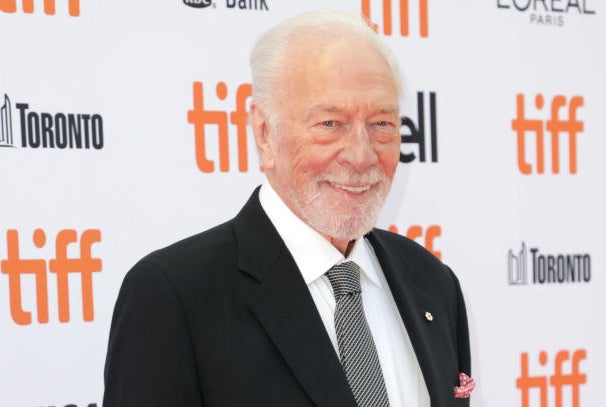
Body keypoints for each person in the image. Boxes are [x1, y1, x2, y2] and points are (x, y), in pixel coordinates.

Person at [103, 10, 472, 407]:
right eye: (330, 123)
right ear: (264, 133)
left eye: (381, 123)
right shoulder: (174, 297)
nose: (362, 155)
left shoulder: (433, 284)